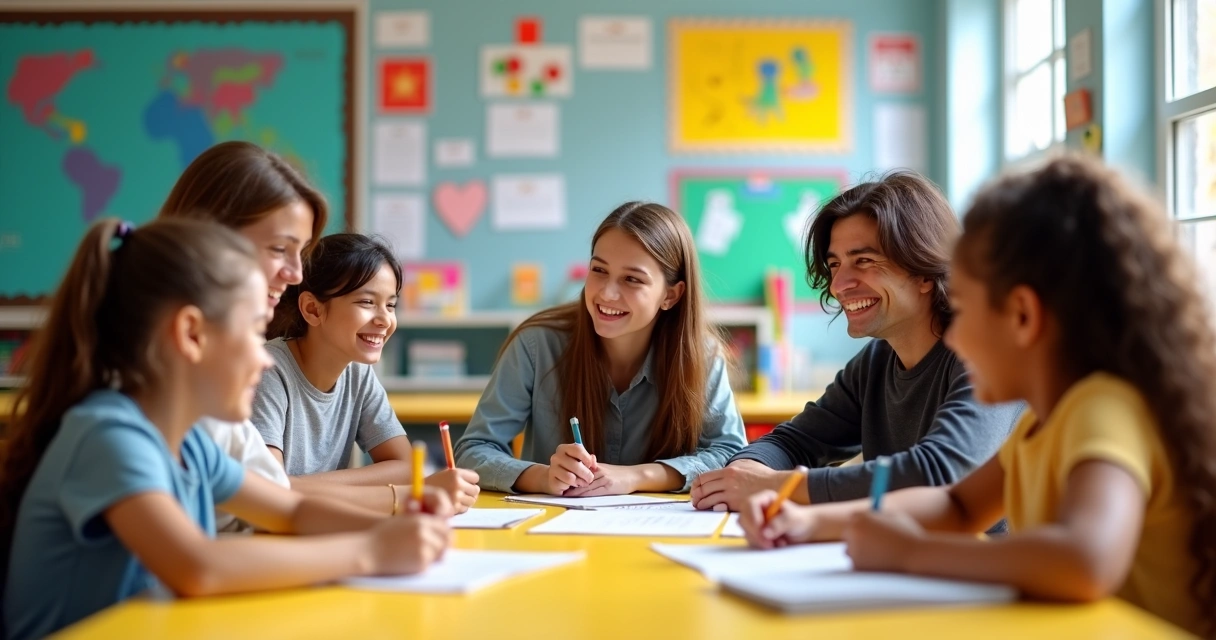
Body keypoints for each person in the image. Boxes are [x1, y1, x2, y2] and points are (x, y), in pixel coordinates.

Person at [740, 156, 1215, 637]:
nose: (954, 335)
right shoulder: (1040, 425)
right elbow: (957, 506)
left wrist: (913, 553)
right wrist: (808, 523)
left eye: (963, 311)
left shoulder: (1101, 410)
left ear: (1023, 316)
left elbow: (1086, 560)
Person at [1, 219, 452, 640]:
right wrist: (372, 551)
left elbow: (292, 510)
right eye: (254, 332)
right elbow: (196, 566)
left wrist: (396, 530)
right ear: (192, 334)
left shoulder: (190, 442)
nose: (264, 358)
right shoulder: (110, 436)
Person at [692, 172, 1019, 512]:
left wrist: (780, 486)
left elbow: (938, 471)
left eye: (863, 261)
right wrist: (746, 471)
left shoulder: (988, 354)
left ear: (924, 271)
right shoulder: (877, 359)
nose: (838, 285)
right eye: (835, 264)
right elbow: (795, 441)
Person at [455, 201, 746, 495]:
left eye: (632, 279)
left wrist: (637, 477)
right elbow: (475, 450)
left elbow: (730, 454)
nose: (607, 293)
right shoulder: (535, 346)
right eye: (599, 270)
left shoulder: (701, 357)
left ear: (670, 295)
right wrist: (543, 477)